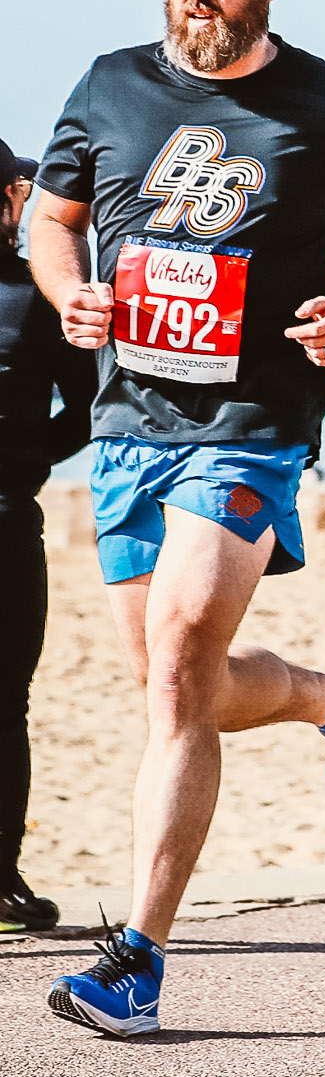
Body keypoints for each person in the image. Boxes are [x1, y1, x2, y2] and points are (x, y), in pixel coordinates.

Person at [29, 0, 325, 1036]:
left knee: (182, 656)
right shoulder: (108, 85)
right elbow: (50, 224)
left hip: (252, 417)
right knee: (175, 680)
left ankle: (138, 957)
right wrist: (70, 293)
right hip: (129, 421)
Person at [0, 137, 95, 932]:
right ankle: (0, 881)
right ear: (11, 200)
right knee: (5, 703)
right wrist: (29, 457)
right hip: (5, 520)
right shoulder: (41, 296)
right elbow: (91, 407)